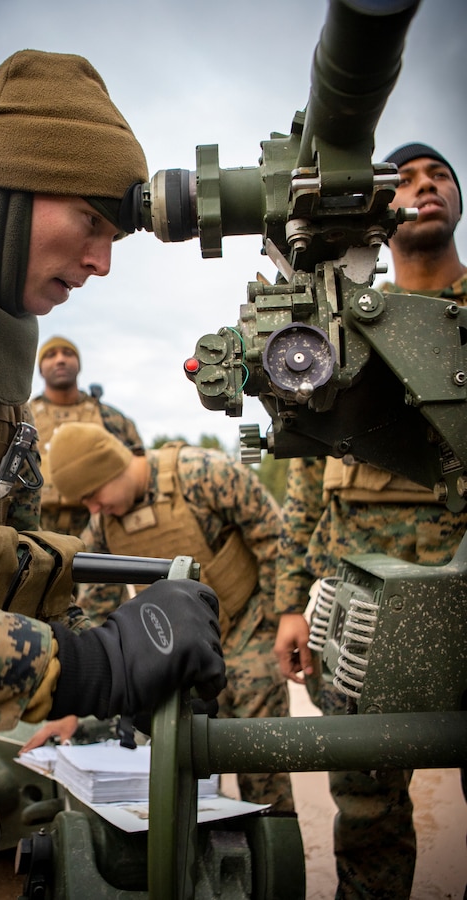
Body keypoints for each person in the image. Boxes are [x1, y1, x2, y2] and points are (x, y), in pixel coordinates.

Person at [0, 49, 226, 899]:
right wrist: (85, 664)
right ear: (14, 185)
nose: (103, 264)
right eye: (94, 224)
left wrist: (137, 644)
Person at [273, 142, 467, 900]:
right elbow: (304, 481)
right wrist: (292, 602)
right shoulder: (343, 332)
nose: (424, 188)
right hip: (363, 611)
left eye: (440, 177)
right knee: (365, 802)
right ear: (380, 210)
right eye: (407, 181)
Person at [26, 420, 295, 812]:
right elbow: (96, 609)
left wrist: (286, 613)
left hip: (248, 628)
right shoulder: (104, 526)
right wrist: (75, 706)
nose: (94, 509)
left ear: (112, 465)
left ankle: (276, 857)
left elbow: (274, 536)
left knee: (264, 767)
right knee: (191, 776)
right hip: (184, 651)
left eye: (93, 494)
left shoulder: (204, 473)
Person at [31, 335, 144, 534]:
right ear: (40, 368)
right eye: (50, 355)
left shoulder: (111, 418)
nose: (60, 359)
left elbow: (137, 474)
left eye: (67, 353)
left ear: (79, 364)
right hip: (37, 531)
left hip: (102, 529)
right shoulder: (24, 418)